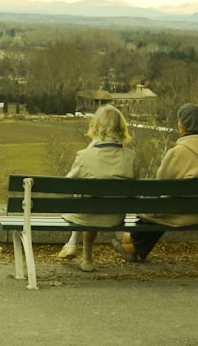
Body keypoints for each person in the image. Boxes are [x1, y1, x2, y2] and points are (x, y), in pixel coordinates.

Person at [111, 102, 198, 262]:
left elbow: (161, 183)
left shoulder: (178, 152)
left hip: (180, 214)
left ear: (184, 126)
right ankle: (133, 245)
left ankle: (130, 239)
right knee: (163, 206)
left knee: (155, 205)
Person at [57, 104, 138, 272]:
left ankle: (86, 257)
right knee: (94, 203)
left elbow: (68, 185)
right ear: (121, 127)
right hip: (115, 217)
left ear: (96, 126)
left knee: (88, 203)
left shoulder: (85, 156)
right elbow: (135, 190)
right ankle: (79, 250)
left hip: (87, 216)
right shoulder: (131, 157)